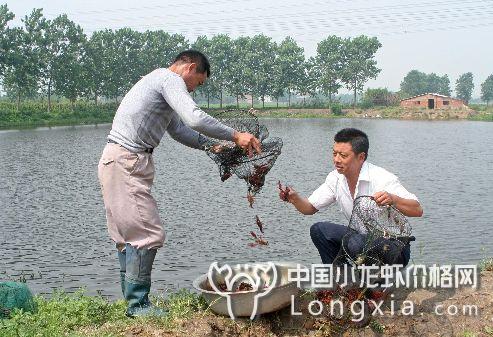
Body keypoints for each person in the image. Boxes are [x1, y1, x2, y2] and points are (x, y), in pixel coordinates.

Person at [97, 50, 261, 317]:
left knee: (127, 236)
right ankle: (138, 306)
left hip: (120, 161)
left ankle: (133, 303)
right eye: (199, 82)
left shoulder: (157, 82)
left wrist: (213, 145)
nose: (195, 89)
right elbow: (194, 118)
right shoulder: (169, 80)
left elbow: (180, 131)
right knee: (148, 234)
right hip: (126, 161)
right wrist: (235, 134)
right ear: (190, 68)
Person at [279, 128, 423, 266]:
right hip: (360, 239)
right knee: (319, 230)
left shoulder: (381, 178)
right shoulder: (335, 178)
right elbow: (309, 208)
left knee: (355, 242)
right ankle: (340, 277)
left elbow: (417, 210)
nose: (336, 159)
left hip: (394, 249)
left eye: (343, 155)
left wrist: (393, 199)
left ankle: (373, 281)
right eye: (334, 154)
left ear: (361, 157)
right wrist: (295, 199)